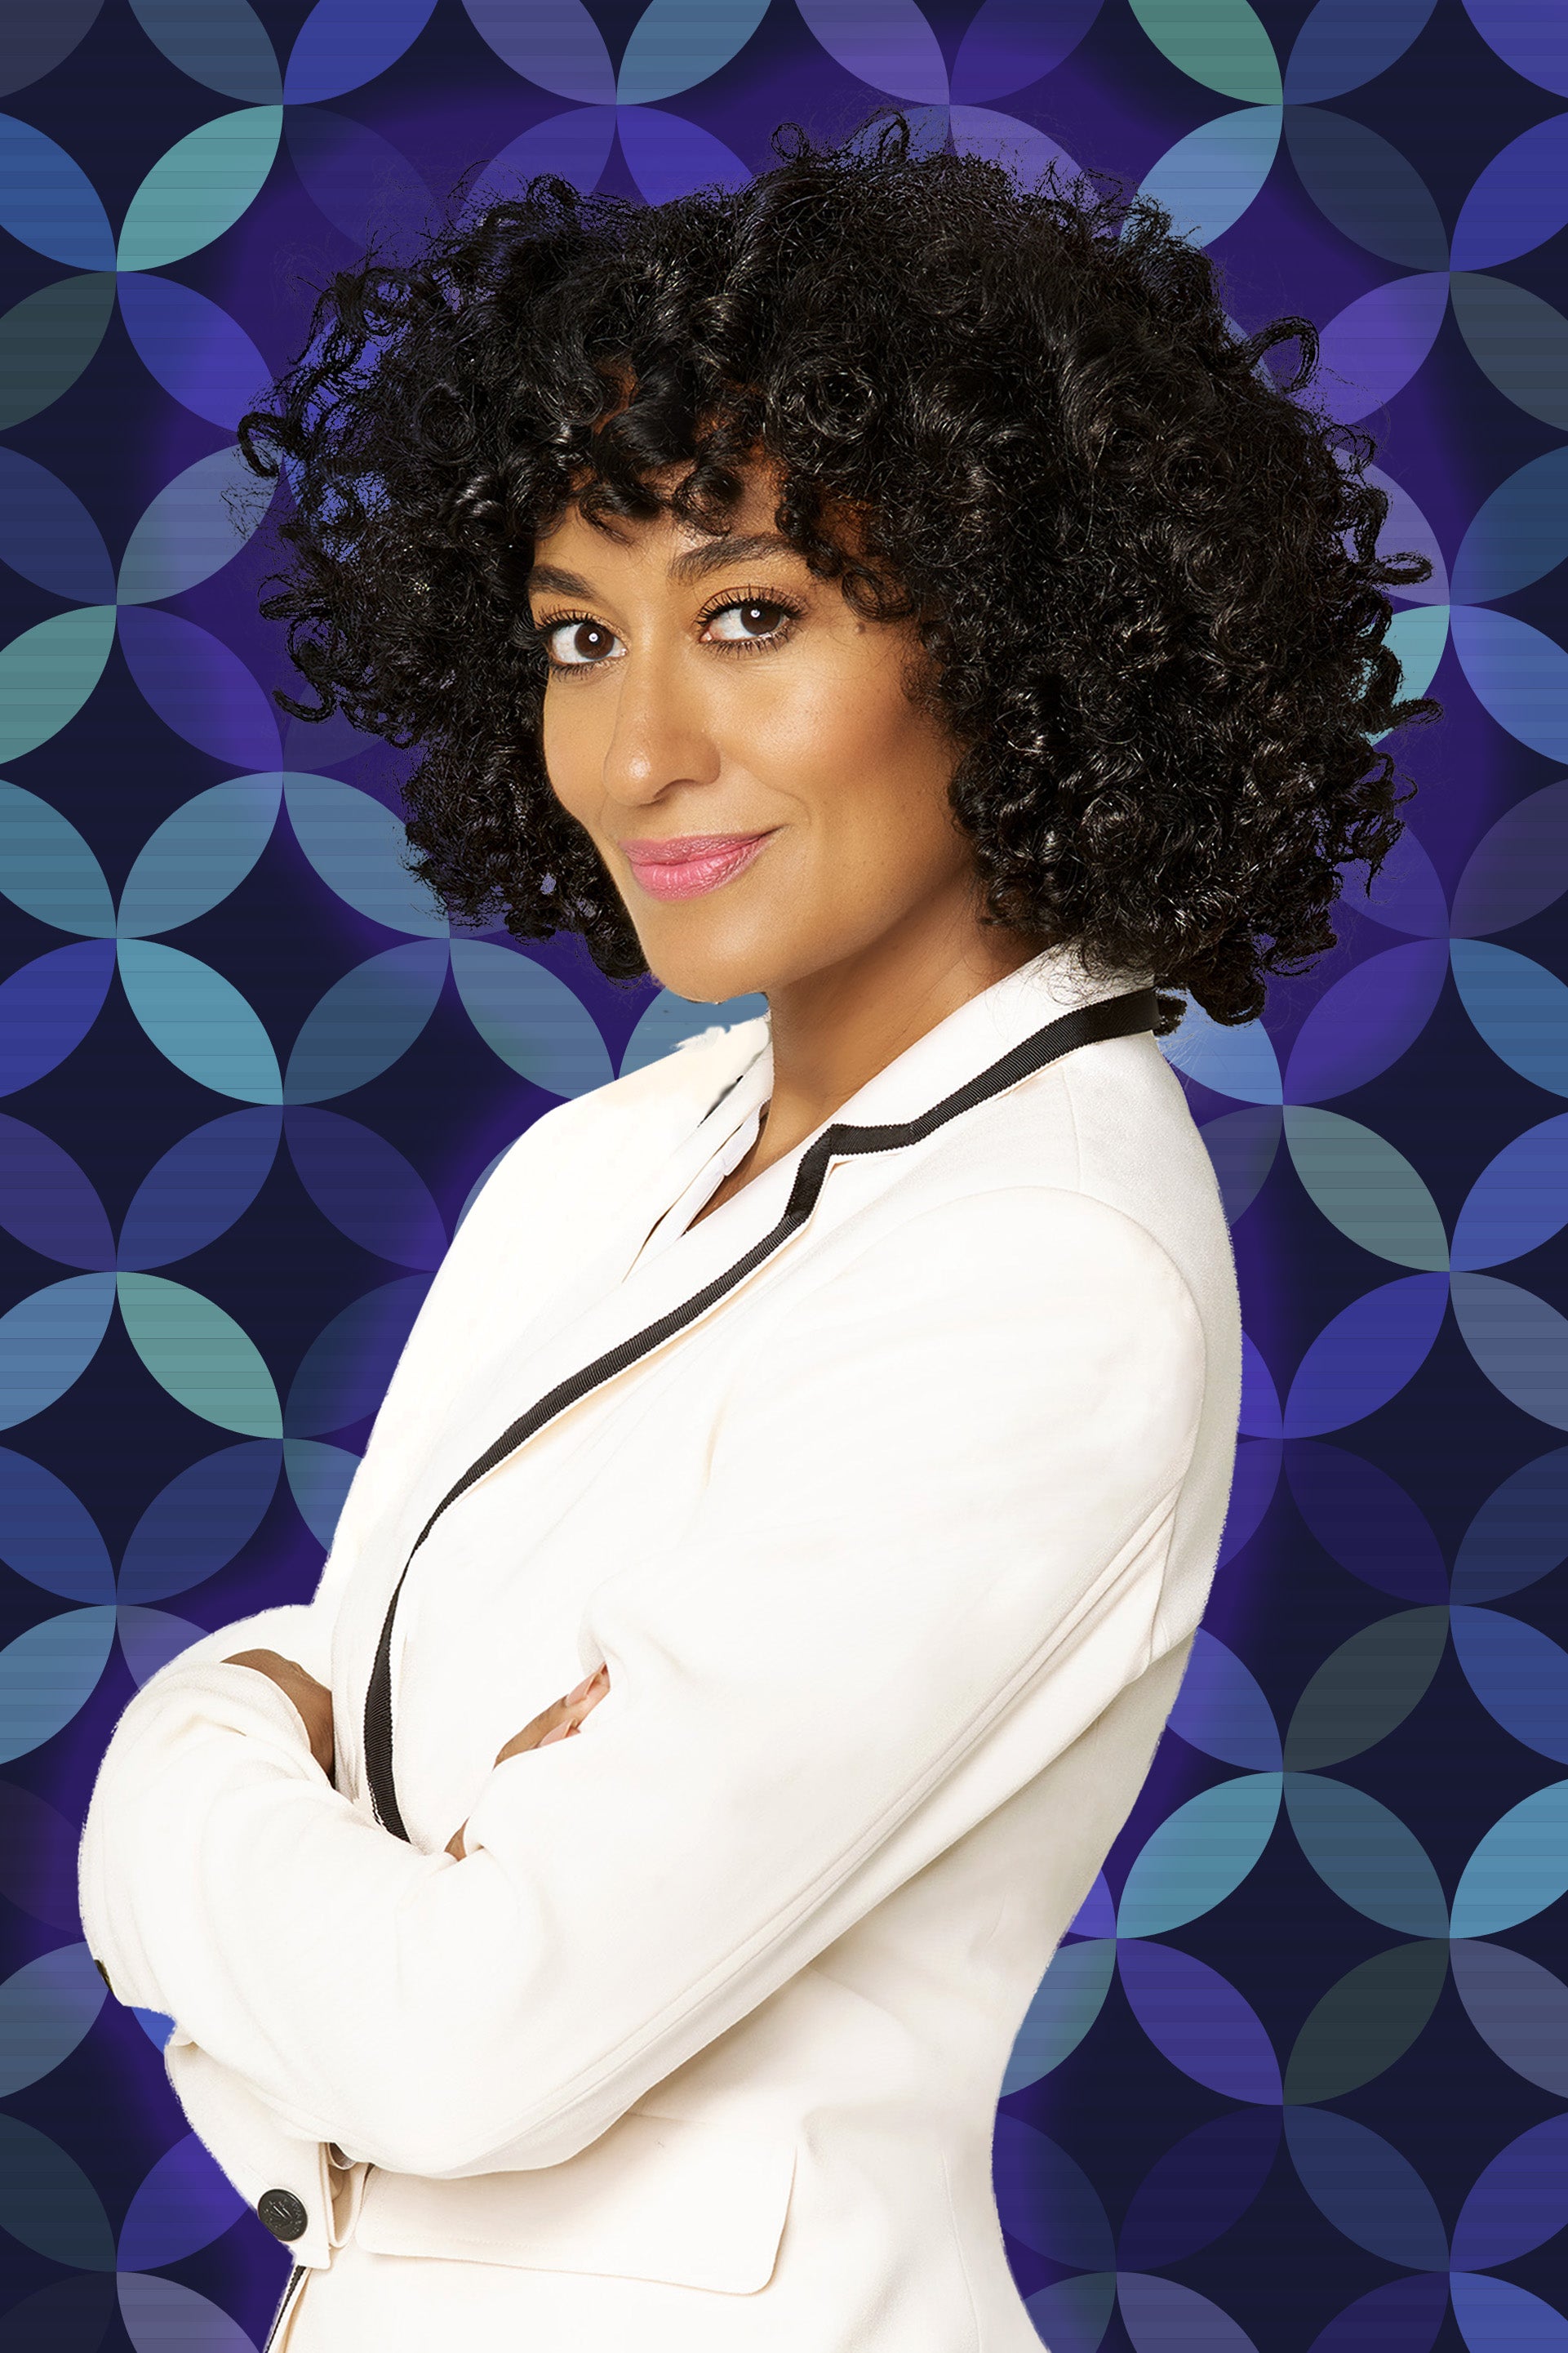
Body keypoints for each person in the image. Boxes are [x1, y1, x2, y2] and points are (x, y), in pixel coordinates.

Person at [78, 110, 1435, 2353]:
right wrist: (327, 1790)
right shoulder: (594, 1170)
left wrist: (181, 1752)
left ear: (1015, 638)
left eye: (747, 616)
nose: (636, 753)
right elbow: (394, 1862)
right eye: (575, 634)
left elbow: (458, 2041)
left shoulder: (1043, 1271)